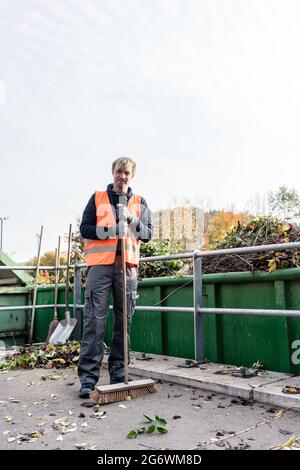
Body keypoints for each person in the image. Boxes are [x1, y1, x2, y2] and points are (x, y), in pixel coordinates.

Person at [78, 157, 153, 398]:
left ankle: (120, 375)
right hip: (100, 267)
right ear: (113, 173)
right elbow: (85, 228)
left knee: (124, 323)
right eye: (119, 172)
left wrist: (131, 220)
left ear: (132, 176)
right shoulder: (98, 198)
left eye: (127, 173)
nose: (122, 176)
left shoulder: (140, 202)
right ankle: (88, 380)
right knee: (94, 321)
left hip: (127, 268)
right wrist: (109, 231)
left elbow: (148, 234)